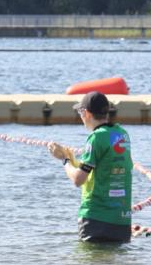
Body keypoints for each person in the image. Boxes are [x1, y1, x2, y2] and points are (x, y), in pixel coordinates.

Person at [47, 91, 133, 243]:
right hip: (121, 220)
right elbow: (103, 167)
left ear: (86, 113)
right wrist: (73, 159)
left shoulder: (96, 137)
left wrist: (65, 159)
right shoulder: (122, 134)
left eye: (80, 112)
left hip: (96, 218)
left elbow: (78, 179)